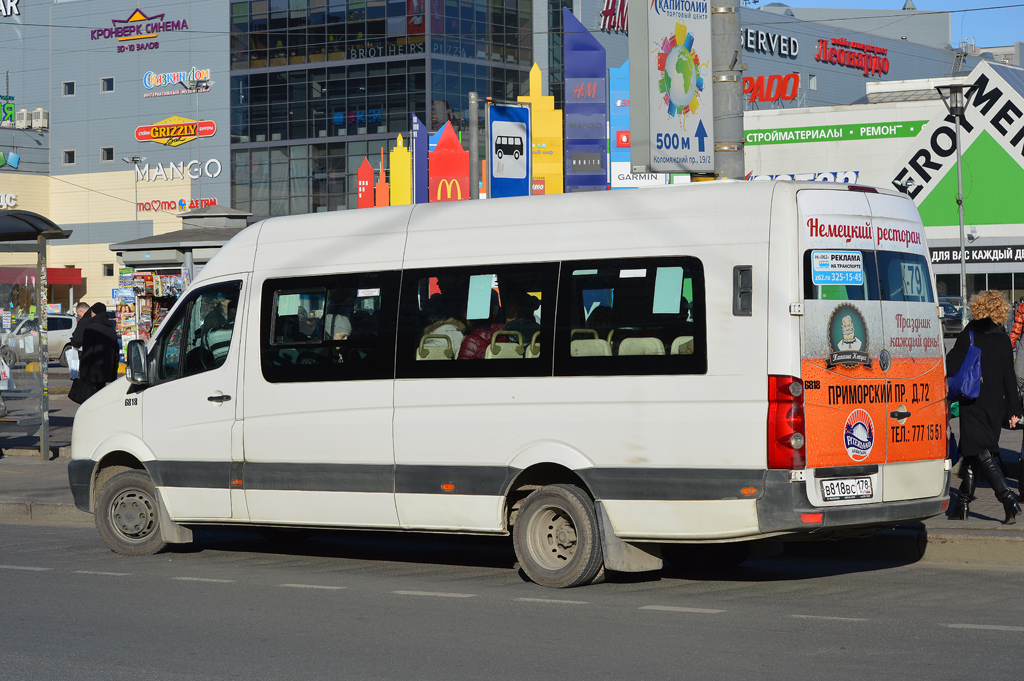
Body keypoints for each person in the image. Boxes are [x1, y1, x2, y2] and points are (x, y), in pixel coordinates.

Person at [947, 290, 1022, 524]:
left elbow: (950, 365)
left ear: (977, 307)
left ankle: (1008, 500)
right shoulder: (1002, 338)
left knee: (981, 452)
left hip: (972, 400)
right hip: (993, 403)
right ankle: (962, 506)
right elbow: (1009, 377)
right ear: (1000, 309)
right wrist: (1013, 410)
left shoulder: (969, 334)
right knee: (971, 453)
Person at [70, 302, 120, 396]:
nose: (91, 314)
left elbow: (88, 352)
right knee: (101, 396)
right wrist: (114, 373)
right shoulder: (111, 329)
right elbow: (115, 353)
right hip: (106, 371)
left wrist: (83, 372)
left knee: (90, 397)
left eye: (92, 312)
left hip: (92, 372)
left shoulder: (91, 328)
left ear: (95, 313)